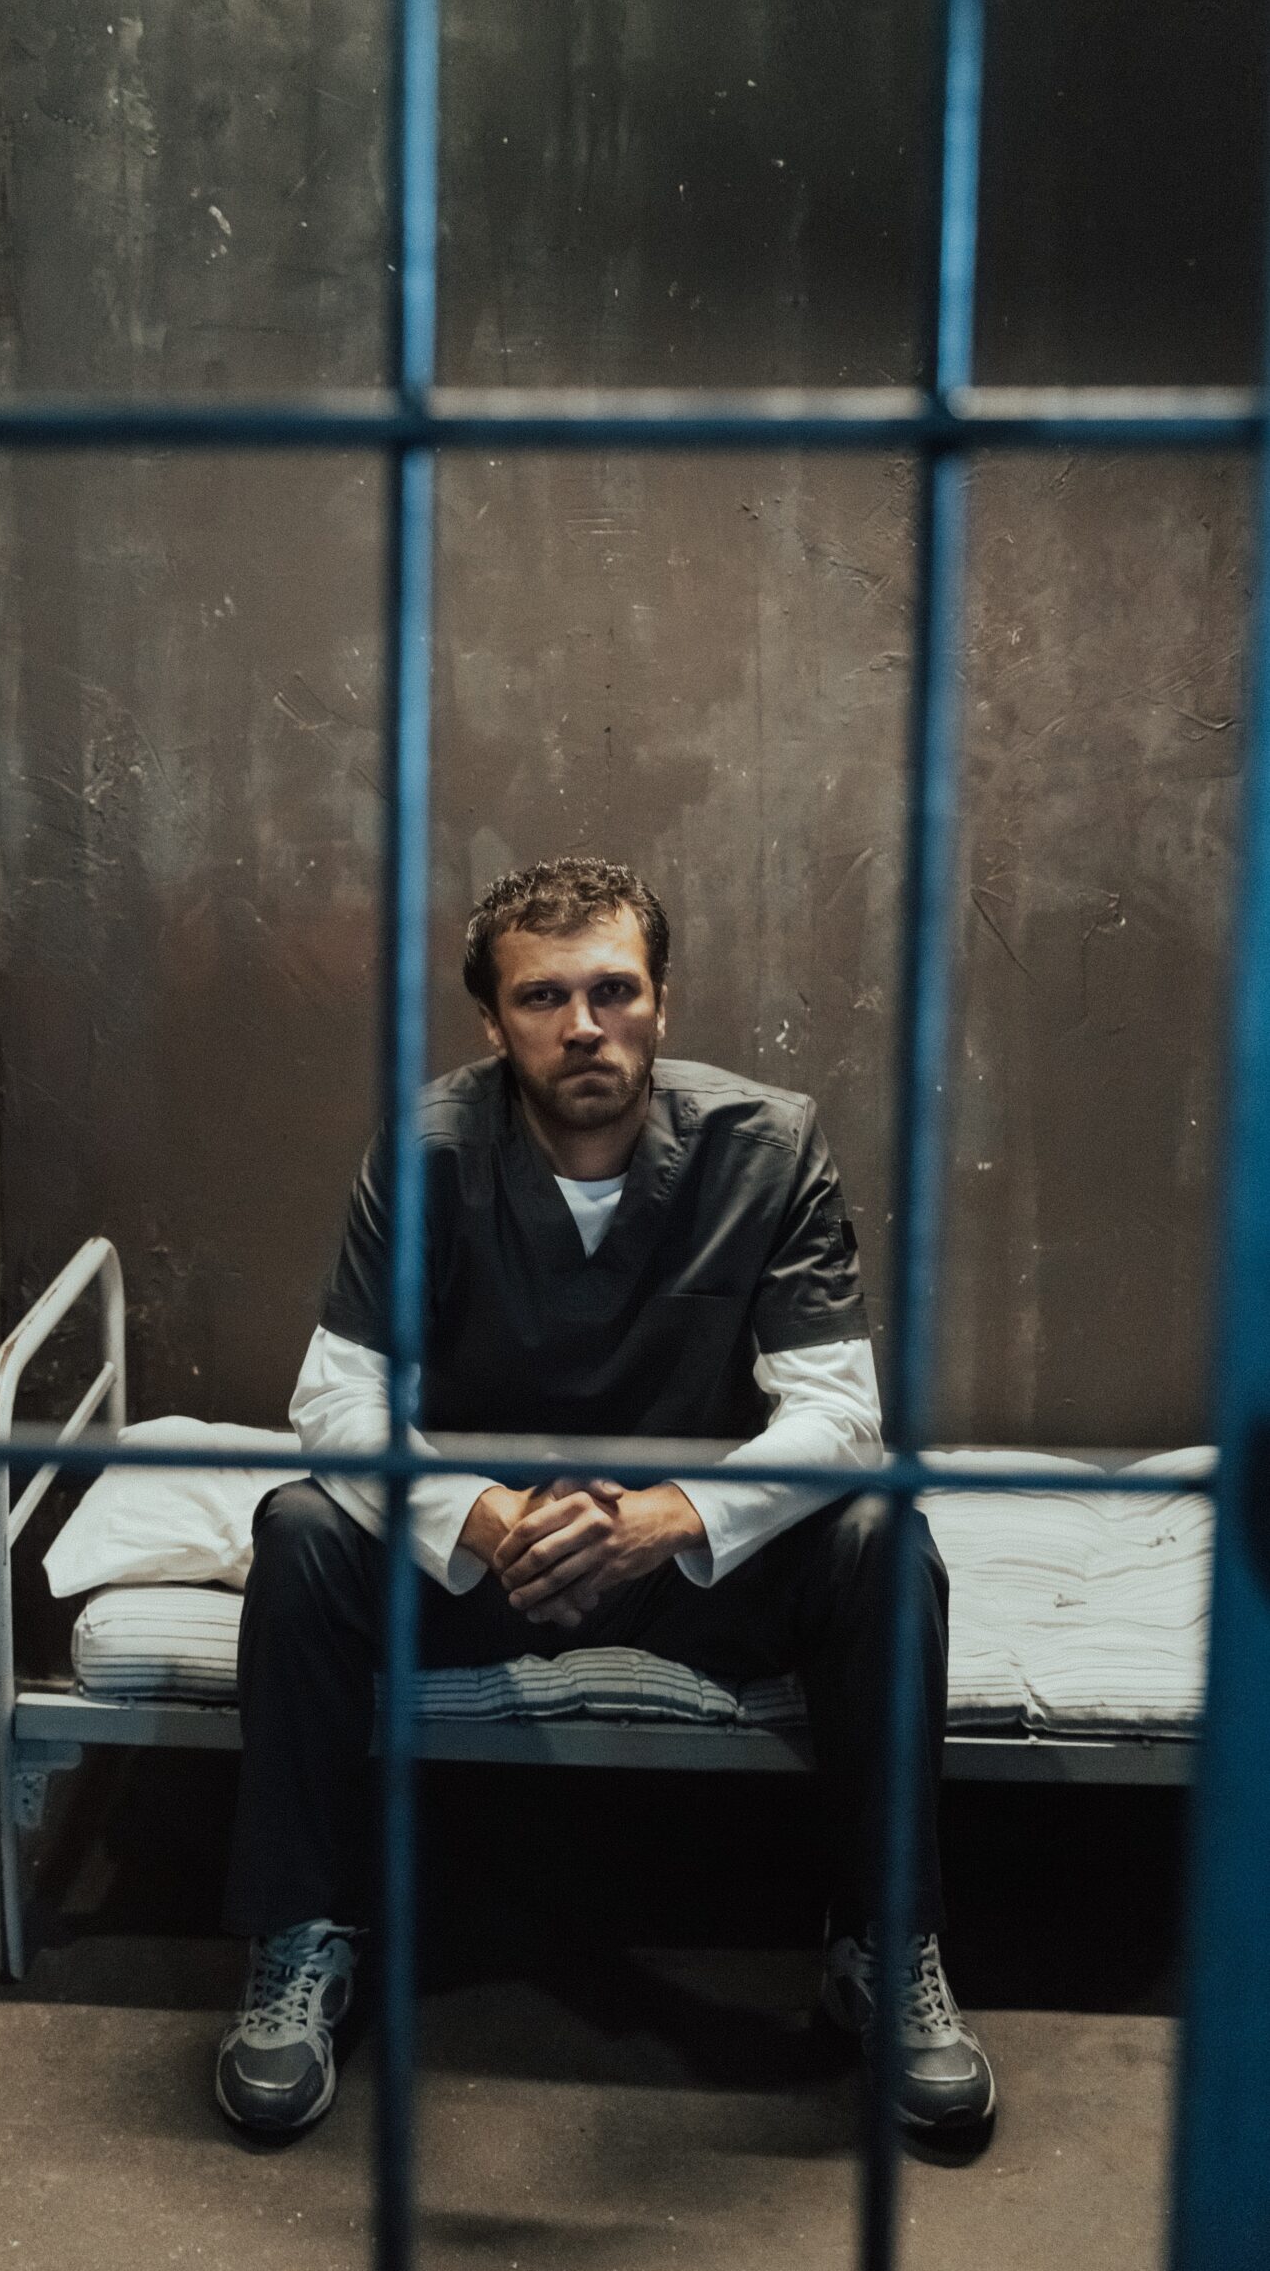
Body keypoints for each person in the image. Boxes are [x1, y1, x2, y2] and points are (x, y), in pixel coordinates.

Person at [214, 856, 994, 2142]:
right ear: (493, 1022)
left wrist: (670, 1516)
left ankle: (883, 1941)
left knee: (880, 1540)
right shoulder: (426, 1152)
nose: (585, 1025)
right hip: (492, 1561)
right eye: (544, 998)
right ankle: (302, 1937)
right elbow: (338, 1400)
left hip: (693, 1562)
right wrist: (478, 1518)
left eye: (615, 990)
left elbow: (837, 1413)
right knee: (300, 1529)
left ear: (662, 1001)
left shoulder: (768, 1143)